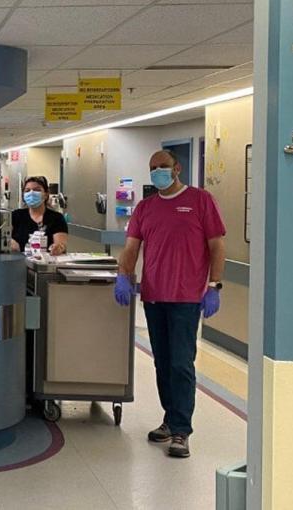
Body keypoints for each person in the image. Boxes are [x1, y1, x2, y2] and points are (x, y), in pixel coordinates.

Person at [114, 149, 226, 459]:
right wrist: (124, 275)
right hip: (154, 296)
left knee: (181, 363)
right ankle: (169, 418)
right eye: (153, 168)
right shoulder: (145, 208)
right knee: (162, 363)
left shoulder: (201, 200)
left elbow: (217, 245)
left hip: (187, 298)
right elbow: (132, 246)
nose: (158, 172)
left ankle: (181, 431)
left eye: (163, 167)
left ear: (177, 168)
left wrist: (214, 285)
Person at [9, 176, 69, 255]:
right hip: (19, 262)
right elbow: (3, 237)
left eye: (37, 190)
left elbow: (61, 244)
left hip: (46, 262)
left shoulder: (56, 218)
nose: (31, 193)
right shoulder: (16, 216)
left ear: (46, 194)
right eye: (27, 190)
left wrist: (58, 247)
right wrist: (9, 243)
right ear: (23, 195)